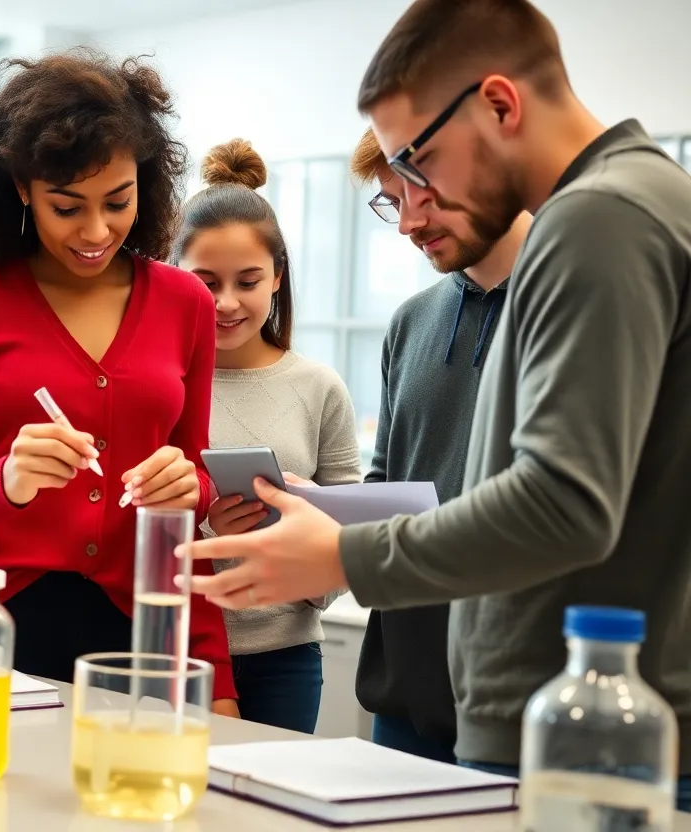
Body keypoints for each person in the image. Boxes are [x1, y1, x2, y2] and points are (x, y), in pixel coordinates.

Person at [185, 0, 691, 803]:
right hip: (541, 719)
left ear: (499, 103)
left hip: (573, 728)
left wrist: (340, 555)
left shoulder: (601, 216)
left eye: (416, 163)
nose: (412, 202)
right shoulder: (616, 208)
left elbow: (566, 503)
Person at [0, 50, 239, 715]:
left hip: (143, 632)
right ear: (23, 188)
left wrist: (188, 485)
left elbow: (193, 488)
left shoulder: (185, 303)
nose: (95, 231)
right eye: (66, 206)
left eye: (117, 202)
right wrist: (7, 482)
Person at [349, 125, 531, 762]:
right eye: (390, 203)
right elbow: (388, 483)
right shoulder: (410, 321)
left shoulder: (563, 307)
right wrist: (318, 512)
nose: (406, 225)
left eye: (416, 196)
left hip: (518, 693)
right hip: (404, 687)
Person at [171, 138, 360, 732]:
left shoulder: (318, 386)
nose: (225, 303)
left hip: (286, 657)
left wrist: (304, 520)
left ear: (277, 278)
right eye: (205, 281)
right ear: (172, 276)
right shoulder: (160, 383)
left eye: (247, 281)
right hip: (172, 648)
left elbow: (353, 533)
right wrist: (209, 529)